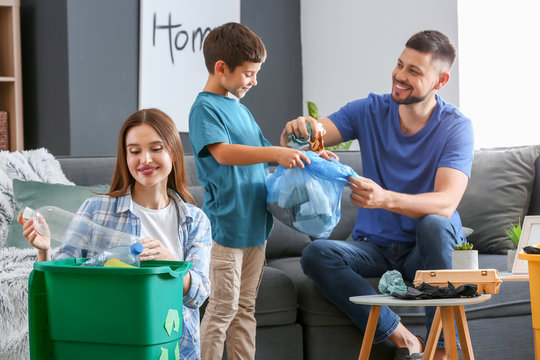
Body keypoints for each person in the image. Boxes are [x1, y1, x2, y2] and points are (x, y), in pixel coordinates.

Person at [281, 30, 474, 360]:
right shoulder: (369, 110)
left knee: (434, 224)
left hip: (423, 250)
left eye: (414, 71)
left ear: (441, 81)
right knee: (316, 255)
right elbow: (312, 135)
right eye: (400, 65)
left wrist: (385, 199)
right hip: (373, 249)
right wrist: (296, 132)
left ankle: (442, 350)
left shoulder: (455, 126)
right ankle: (404, 338)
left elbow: (446, 203)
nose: (400, 76)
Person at [18, 108, 212, 360]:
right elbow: (60, 285)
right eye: (134, 151)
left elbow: (199, 294)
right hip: (110, 342)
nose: (145, 159)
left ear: (173, 152)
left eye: (155, 148)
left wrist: (172, 264)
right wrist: (43, 249)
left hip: (173, 347)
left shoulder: (195, 220)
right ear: (125, 156)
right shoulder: (96, 211)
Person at [188, 22, 309, 360]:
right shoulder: (204, 109)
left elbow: (266, 148)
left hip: (256, 229)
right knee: (222, 311)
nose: (254, 81)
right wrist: (275, 153)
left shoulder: (240, 109)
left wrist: (298, 150)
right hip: (226, 230)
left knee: (245, 310)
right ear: (221, 68)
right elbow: (224, 153)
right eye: (249, 74)